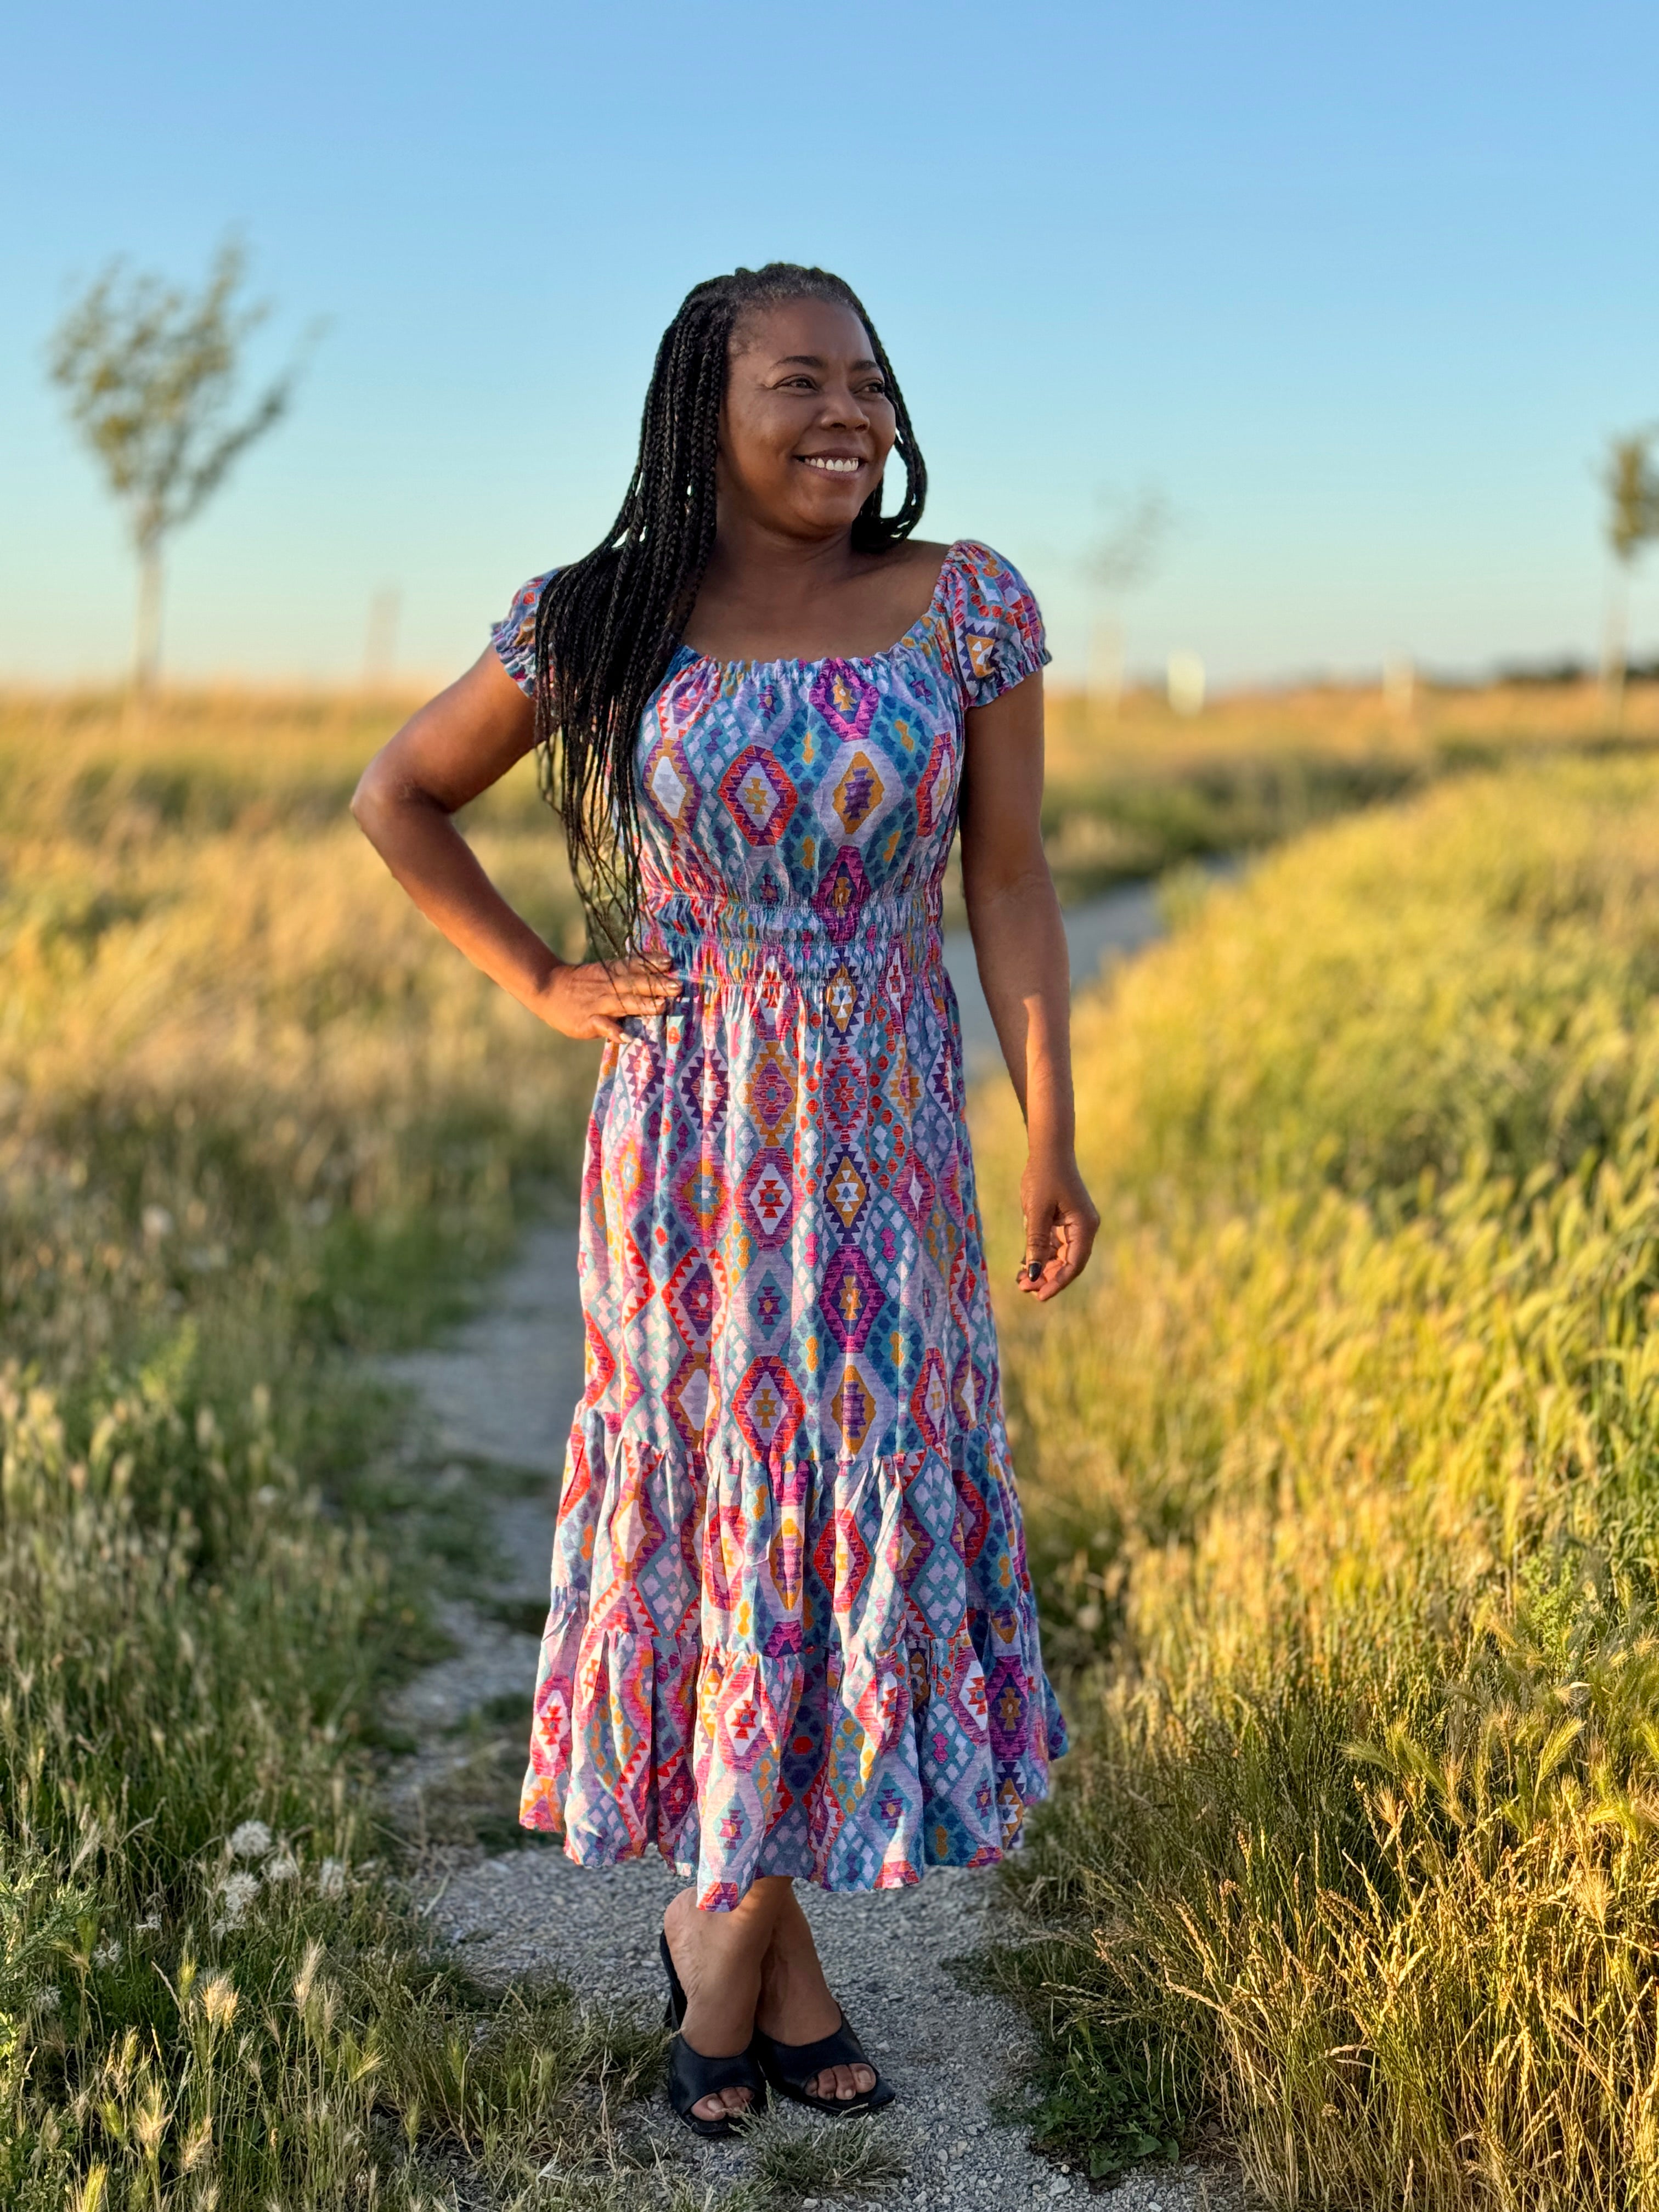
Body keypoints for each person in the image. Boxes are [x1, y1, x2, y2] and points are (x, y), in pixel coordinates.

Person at [352, 262, 1097, 2135]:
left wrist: (1055, 1132)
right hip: (690, 1144)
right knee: (726, 1506)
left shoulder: (964, 606)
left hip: (891, 1140)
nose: (849, 414)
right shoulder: (606, 616)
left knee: (855, 1499)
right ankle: (763, 1956)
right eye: (799, 382)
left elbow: (1007, 886)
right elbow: (399, 796)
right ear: (708, 410)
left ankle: (727, 1938)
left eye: (870, 382)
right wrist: (541, 977)